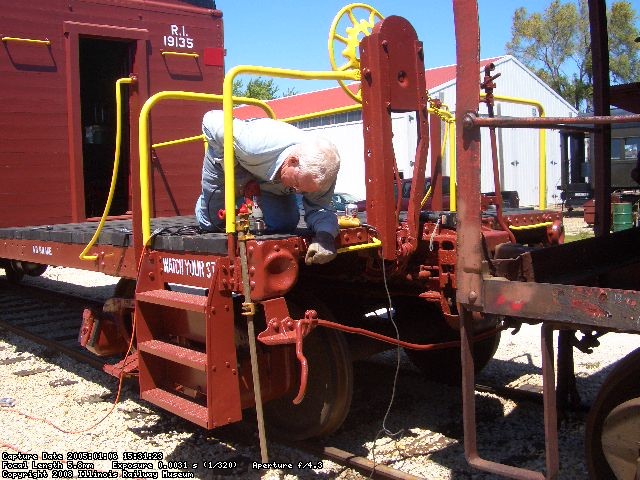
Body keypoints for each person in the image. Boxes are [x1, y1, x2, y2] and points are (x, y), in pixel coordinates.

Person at [195, 110, 341, 265]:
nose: (297, 192)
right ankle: (208, 203)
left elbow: (319, 208)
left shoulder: (322, 172)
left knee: (285, 224)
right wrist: (237, 176)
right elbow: (211, 118)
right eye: (297, 184)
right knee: (212, 223)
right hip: (227, 167)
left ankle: (244, 204)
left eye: (303, 191)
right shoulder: (253, 144)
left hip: (269, 182)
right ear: (292, 161)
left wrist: (325, 237)